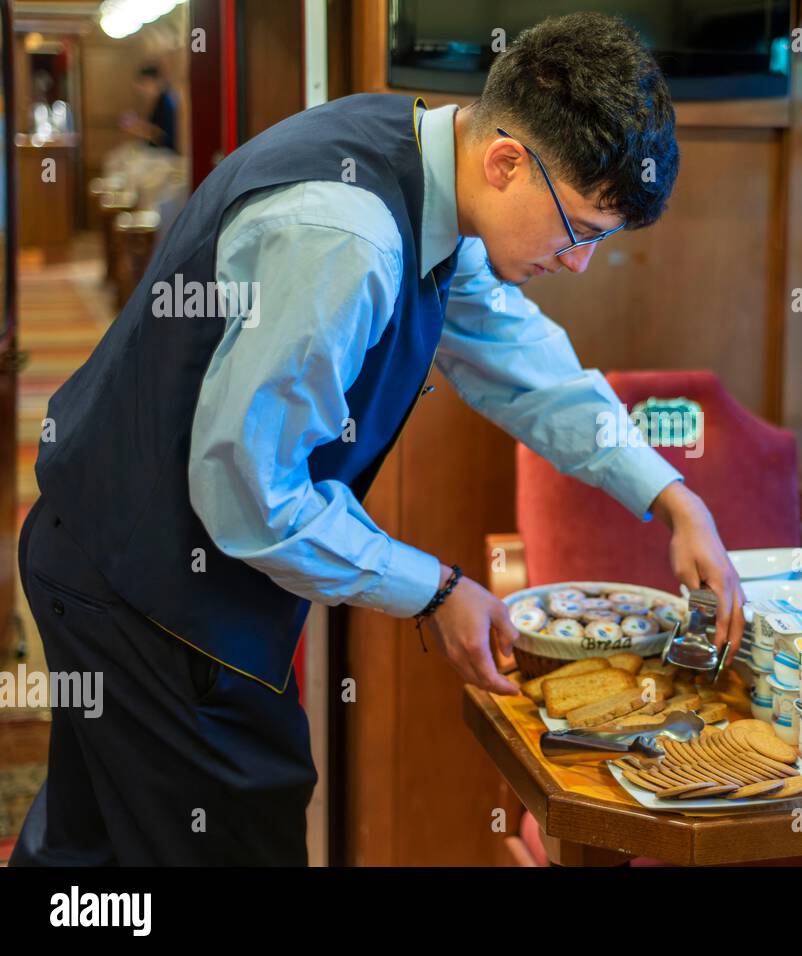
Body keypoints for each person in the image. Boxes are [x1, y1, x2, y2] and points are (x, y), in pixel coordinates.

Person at [10, 12, 745, 866]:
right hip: (147, 589)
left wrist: (671, 496)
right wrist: (436, 589)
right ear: (507, 161)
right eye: (579, 230)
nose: (579, 262)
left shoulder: (429, 163)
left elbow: (516, 357)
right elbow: (256, 496)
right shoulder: (344, 237)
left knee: (86, 858)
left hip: (112, 551)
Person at [121, 64, 177, 151]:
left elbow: (164, 138)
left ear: (155, 81)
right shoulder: (159, 100)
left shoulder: (167, 101)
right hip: (158, 151)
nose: (141, 90)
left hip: (166, 154)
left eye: (144, 84)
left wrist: (137, 128)